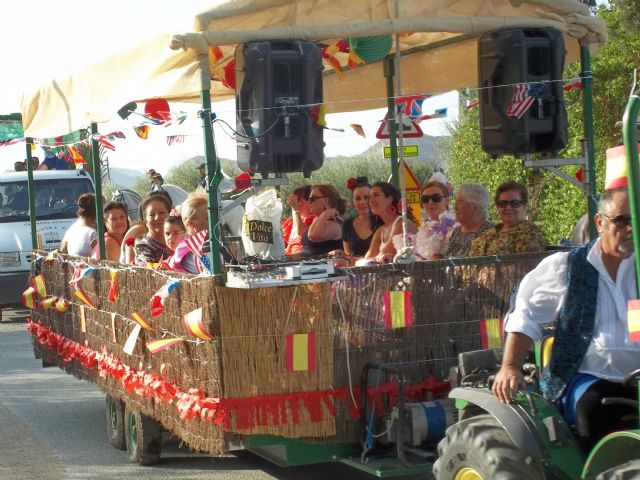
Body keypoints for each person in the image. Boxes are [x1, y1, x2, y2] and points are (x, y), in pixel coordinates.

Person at [493, 188, 639, 451]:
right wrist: (511, 366)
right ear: (600, 223)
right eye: (622, 220)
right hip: (590, 377)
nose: (631, 228)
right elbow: (526, 313)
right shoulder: (567, 267)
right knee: (595, 411)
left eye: (636, 219)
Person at [469, 181, 547, 256]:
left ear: (524, 206)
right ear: (497, 207)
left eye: (515, 203)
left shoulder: (531, 234)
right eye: (503, 203)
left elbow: (528, 266)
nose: (508, 207)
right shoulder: (490, 232)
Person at [364, 181, 417, 263]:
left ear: (389, 199)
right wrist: (348, 259)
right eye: (370, 197)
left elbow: (381, 255)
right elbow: (368, 259)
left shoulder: (403, 223)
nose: (371, 200)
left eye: (376, 195)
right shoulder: (380, 230)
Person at [446, 183, 494, 258]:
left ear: (475, 207)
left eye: (460, 202)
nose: (455, 207)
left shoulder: (490, 232)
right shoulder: (456, 232)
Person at [168, 190, 210, 274]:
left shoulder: (208, 242)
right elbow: (210, 271)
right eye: (207, 218)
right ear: (191, 223)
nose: (214, 221)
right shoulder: (196, 250)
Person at [300, 184, 347, 258]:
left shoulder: (335, 224)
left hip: (327, 268)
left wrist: (325, 213)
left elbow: (313, 236)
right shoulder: (319, 219)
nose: (309, 202)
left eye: (312, 198)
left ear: (326, 200)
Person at [414, 179, 456, 259]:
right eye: (425, 199)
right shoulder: (425, 227)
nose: (430, 202)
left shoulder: (455, 226)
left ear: (446, 200)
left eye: (436, 198)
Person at [341, 177, 378, 260]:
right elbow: (348, 255)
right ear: (353, 202)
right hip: (355, 270)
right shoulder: (347, 224)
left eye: (366, 197)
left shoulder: (381, 222)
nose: (362, 202)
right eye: (358, 198)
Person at [134, 194, 172, 265]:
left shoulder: (180, 239)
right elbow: (150, 274)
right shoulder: (143, 248)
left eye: (161, 212)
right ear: (146, 220)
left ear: (170, 214)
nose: (157, 217)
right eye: (152, 215)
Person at [282, 185, 313, 256]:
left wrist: (296, 210)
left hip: (306, 261)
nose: (297, 205)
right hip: (291, 260)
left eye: (300, 203)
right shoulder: (292, 222)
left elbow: (301, 231)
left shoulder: (316, 219)